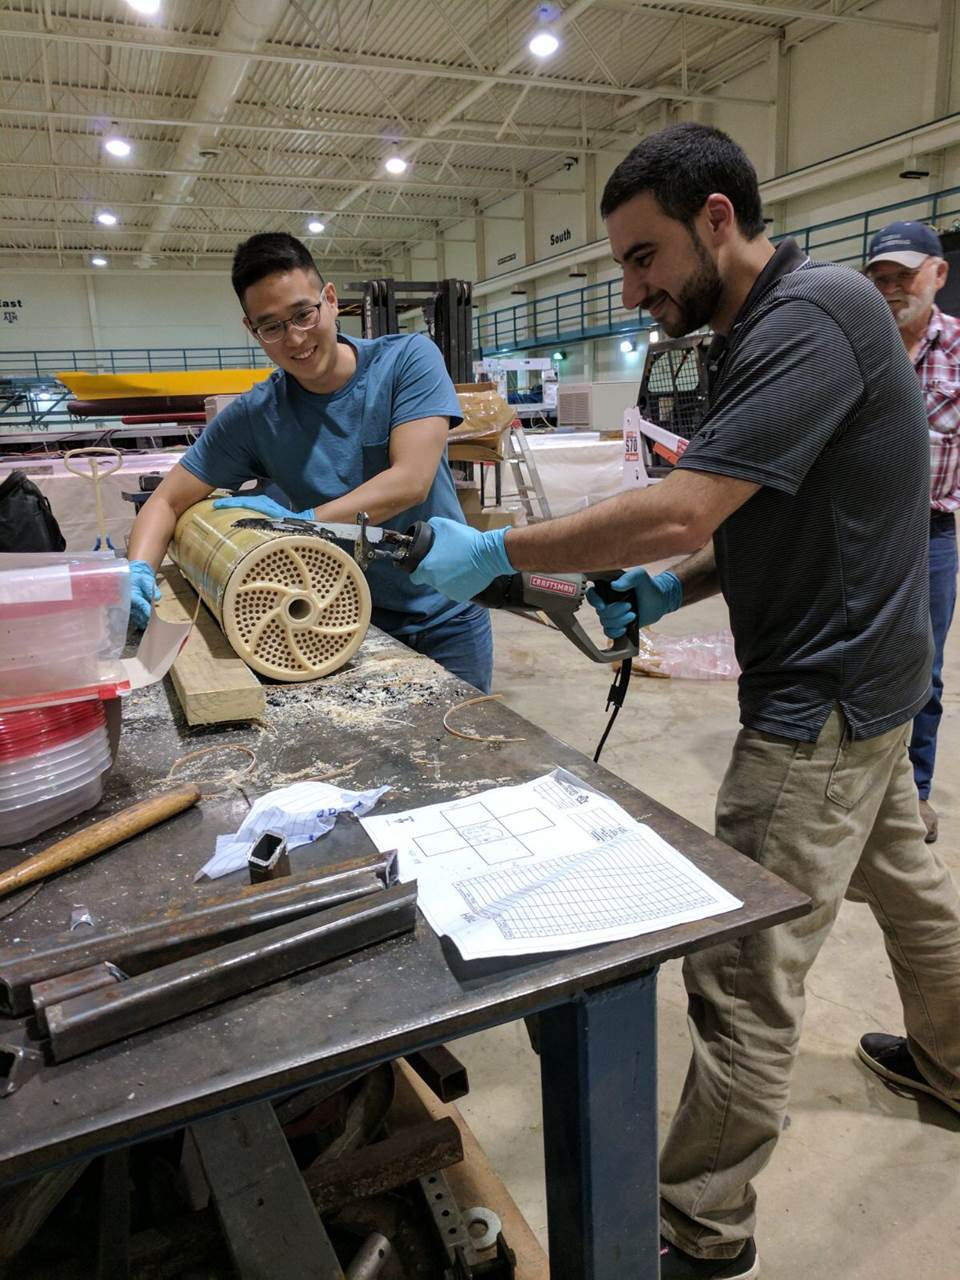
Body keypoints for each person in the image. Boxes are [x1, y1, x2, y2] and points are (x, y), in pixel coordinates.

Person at [407, 123, 960, 1280]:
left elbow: (682, 506)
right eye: (621, 262)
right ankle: (954, 1063)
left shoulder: (807, 322)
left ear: (718, 217)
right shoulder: (769, 326)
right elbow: (753, 508)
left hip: (821, 704)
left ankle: (700, 1226)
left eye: (643, 256)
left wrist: (502, 547)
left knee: (747, 976)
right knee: (908, 892)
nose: (632, 284)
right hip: (877, 679)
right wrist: (665, 587)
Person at [126, 232, 493, 692]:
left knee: (465, 752)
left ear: (331, 300)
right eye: (272, 327)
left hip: (447, 614)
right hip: (338, 622)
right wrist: (138, 570)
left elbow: (409, 481)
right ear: (252, 330)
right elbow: (166, 501)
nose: (295, 338)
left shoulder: (406, 361)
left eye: (303, 314)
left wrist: (303, 525)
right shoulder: (257, 416)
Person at [864, 221, 959, 844]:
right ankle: (862, 787)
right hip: (862, 530)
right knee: (860, 662)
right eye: (882, 278)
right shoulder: (857, 343)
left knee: (922, 670)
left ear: (939, 274)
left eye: (905, 274)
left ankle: (912, 794)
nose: (894, 288)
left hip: (930, 533)